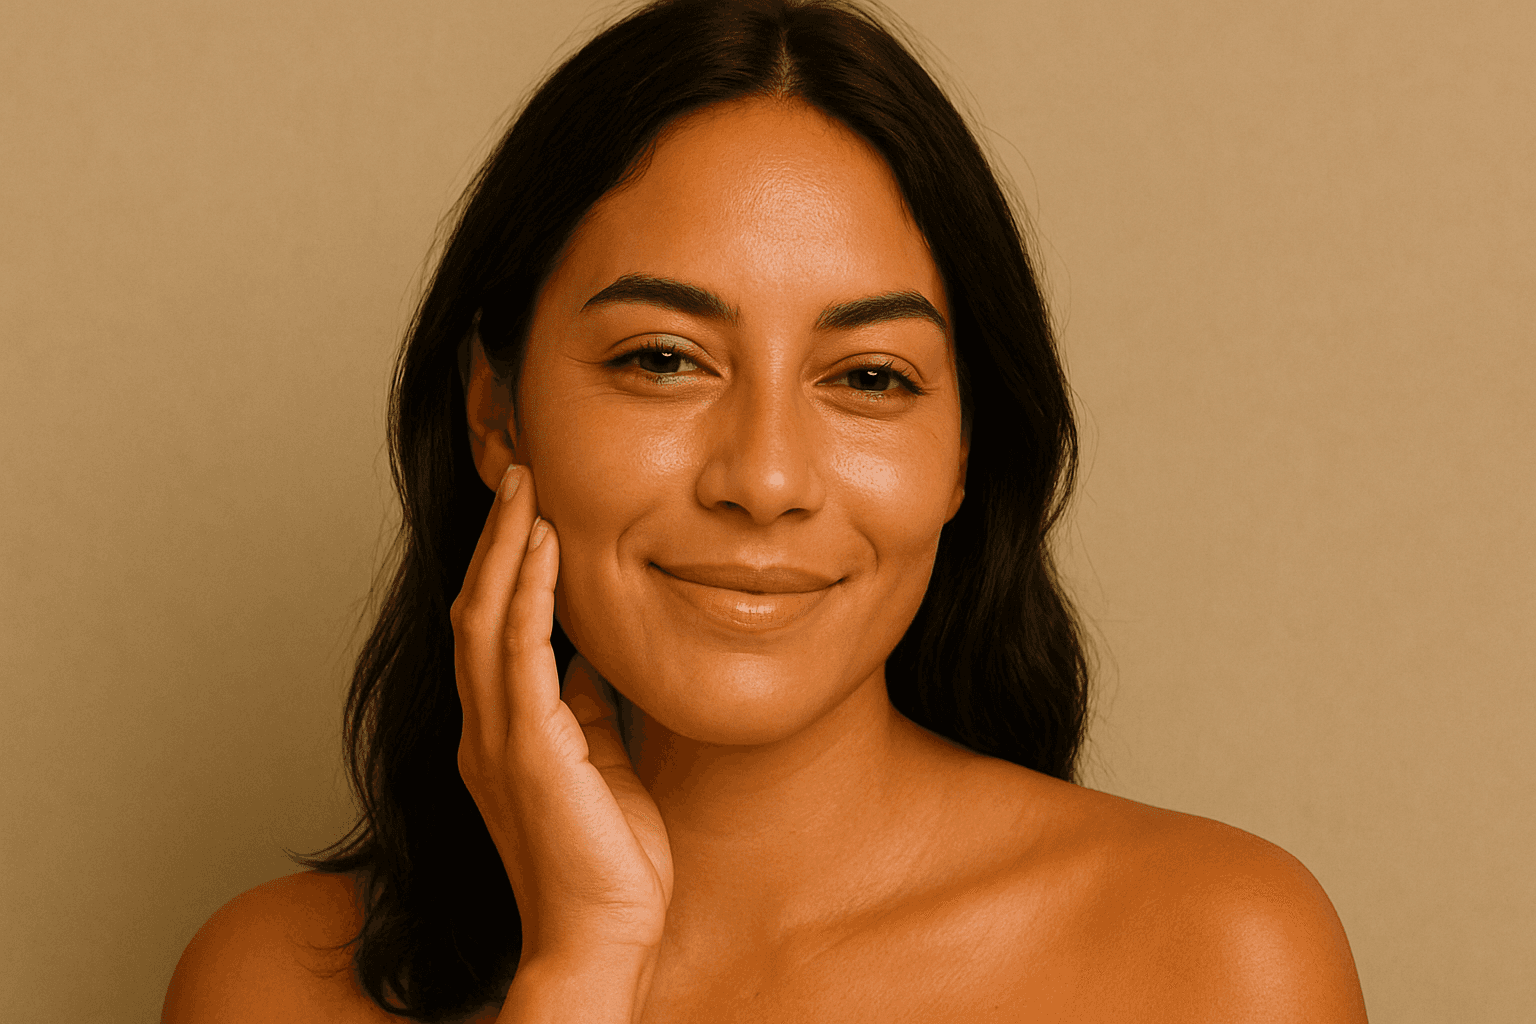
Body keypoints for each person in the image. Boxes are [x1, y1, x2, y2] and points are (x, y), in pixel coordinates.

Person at [162, 0, 1369, 1021]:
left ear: (963, 455)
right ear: (497, 408)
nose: (767, 476)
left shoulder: (1217, 956)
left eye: (869, 378)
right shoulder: (273, 982)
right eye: (663, 359)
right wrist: (580, 967)